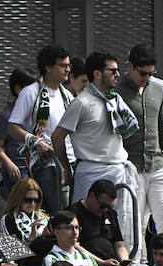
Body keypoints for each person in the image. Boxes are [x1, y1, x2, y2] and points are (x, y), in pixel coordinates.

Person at [119, 45, 163, 251]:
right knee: (134, 222)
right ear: (130, 66)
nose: (147, 78)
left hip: (157, 165)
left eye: (151, 73)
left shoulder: (158, 90)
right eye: (142, 73)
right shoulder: (117, 90)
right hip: (131, 167)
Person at [52, 51, 137, 207]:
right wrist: (66, 167)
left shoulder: (115, 99)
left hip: (118, 171)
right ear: (97, 73)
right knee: (87, 224)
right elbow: (57, 136)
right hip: (91, 173)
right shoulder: (82, 102)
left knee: (121, 226)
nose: (117, 74)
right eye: (112, 71)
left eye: (117, 70)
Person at [6, 43, 74, 213]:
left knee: (70, 213)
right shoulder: (31, 92)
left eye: (68, 65)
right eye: (63, 65)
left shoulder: (66, 95)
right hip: (47, 163)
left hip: (70, 161)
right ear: (48, 67)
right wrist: (35, 141)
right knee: (54, 213)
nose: (67, 69)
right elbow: (12, 126)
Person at [0, 66, 37, 199]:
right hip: (18, 169)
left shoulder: (35, 112)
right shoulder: (7, 116)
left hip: (34, 167)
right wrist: (9, 164)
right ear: (18, 89)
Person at [72, 179, 130, 266]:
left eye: (109, 206)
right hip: (87, 265)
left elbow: (119, 245)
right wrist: (102, 263)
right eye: (103, 206)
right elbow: (74, 246)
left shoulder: (111, 213)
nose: (105, 210)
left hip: (111, 263)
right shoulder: (74, 214)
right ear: (91, 196)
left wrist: (124, 262)